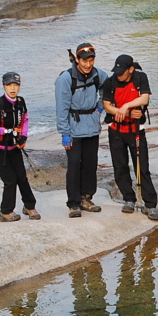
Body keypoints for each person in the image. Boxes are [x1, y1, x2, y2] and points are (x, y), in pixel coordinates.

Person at [102, 54, 158, 221]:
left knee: (142, 167)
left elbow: (145, 97)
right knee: (120, 166)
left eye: (122, 72)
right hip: (116, 131)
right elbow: (107, 106)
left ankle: (150, 204)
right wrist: (125, 111)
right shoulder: (110, 82)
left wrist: (126, 106)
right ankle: (129, 198)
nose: (118, 75)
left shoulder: (140, 78)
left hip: (136, 131)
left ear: (131, 69)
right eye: (117, 71)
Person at [55, 42, 108, 218]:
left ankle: (87, 198)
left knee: (90, 164)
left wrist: (100, 108)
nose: (87, 64)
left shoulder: (99, 75)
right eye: (84, 61)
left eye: (91, 60)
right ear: (77, 59)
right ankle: (73, 203)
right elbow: (61, 107)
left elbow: (108, 91)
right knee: (74, 165)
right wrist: (64, 133)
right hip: (74, 128)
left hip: (92, 127)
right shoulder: (66, 79)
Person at [0, 71, 39, 222]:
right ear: (4, 86)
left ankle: (29, 206)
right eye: (9, 85)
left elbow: (25, 120)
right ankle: (5, 211)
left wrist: (24, 136)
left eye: (15, 85)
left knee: (22, 177)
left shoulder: (21, 102)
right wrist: (7, 131)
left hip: (14, 147)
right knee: (10, 180)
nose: (12, 88)